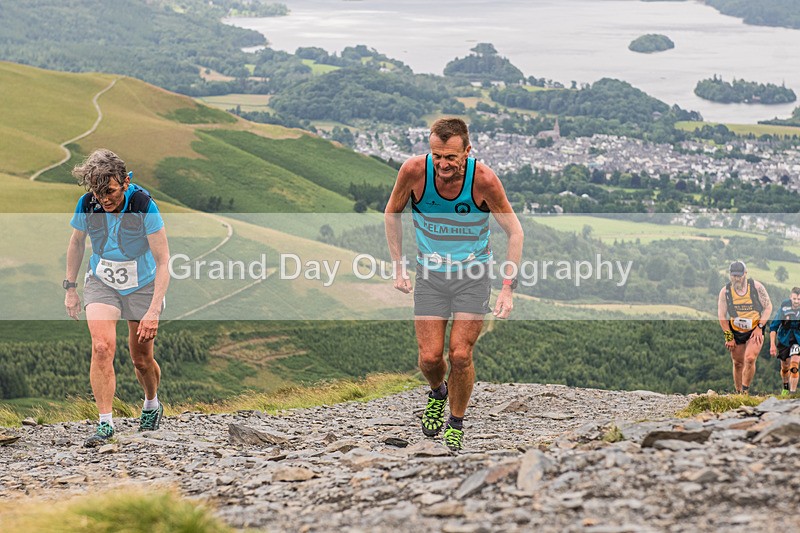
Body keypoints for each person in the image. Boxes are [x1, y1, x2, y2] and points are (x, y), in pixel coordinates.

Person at [384, 118, 523, 451]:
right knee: (430, 359)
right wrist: (399, 266)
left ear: (467, 151)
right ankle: (438, 393)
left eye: (451, 157)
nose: (443, 165)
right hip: (430, 276)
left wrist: (507, 288)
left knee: (460, 355)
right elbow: (392, 213)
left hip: (473, 276)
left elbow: (515, 231)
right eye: (437, 156)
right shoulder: (414, 172)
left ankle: (456, 422)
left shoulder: (484, 180)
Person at [64, 149, 170, 447]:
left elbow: (163, 262)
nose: (103, 199)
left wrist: (153, 311)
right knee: (101, 347)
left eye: (109, 191)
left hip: (143, 285)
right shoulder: (87, 204)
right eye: (97, 193)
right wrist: (70, 288)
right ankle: (105, 424)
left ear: (125, 181)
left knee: (141, 359)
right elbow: (76, 242)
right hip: (102, 282)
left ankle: (151, 403)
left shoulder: (143, 205)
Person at [717, 261, 772, 395]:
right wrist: (729, 336)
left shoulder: (756, 287)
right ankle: (738, 392)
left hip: (754, 329)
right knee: (738, 363)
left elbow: (768, 307)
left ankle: (745, 391)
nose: (736, 278)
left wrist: (760, 327)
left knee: (750, 358)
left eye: (739, 276)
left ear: (745, 274)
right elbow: (722, 315)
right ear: (730, 275)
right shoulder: (725, 292)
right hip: (736, 330)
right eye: (733, 275)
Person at [769, 287, 800, 396]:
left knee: (794, 366)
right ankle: (786, 387)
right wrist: (772, 345)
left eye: (799, 299)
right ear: (790, 297)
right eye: (795, 299)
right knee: (785, 367)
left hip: (798, 339)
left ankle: (792, 393)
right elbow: (773, 327)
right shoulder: (783, 309)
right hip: (784, 339)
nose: (796, 302)